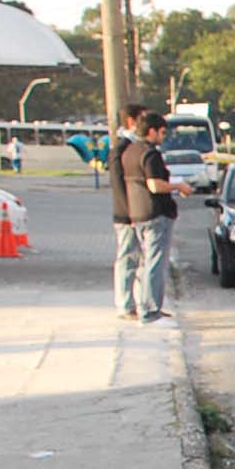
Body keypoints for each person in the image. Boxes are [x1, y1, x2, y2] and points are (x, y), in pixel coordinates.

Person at [124, 110, 191, 326]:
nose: (163, 137)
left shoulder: (130, 151)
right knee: (155, 263)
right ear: (151, 131)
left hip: (137, 212)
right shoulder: (150, 154)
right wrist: (178, 186)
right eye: (162, 132)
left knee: (146, 262)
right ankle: (151, 310)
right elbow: (154, 184)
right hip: (155, 213)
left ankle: (146, 305)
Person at [108, 101, 148, 320]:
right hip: (127, 214)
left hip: (139, 212)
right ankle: (125, 305)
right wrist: (129, 212)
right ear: (132, 121)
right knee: (128, 257)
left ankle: (141, 303)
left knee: (140, 259)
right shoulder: (122, 147)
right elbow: (118, 184)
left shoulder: (137, 145)